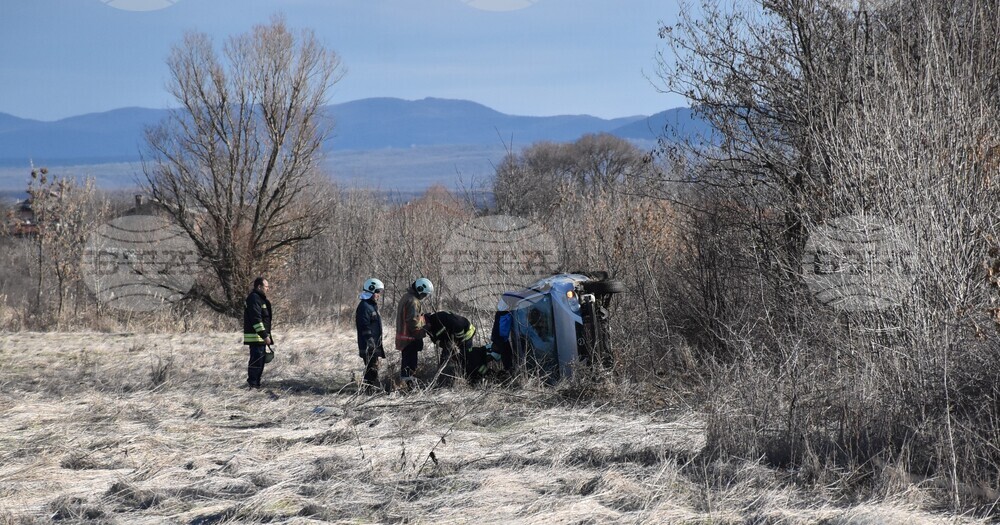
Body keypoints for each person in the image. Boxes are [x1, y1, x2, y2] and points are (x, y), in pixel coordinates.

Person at [424, 310, 500, 385]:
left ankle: (454, 381)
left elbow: (459, 324)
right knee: (446, 360)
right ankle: (443, 383)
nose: (490, 360)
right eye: (491, 358)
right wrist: (448, 346)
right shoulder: (429, 329)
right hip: (452, 341)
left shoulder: (440, 317)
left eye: (491, 359)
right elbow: (436, 340)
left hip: (466, 334)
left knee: (465, 359)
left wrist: (457, 342)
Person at [395, 277, 433, 385]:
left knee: (406, 363)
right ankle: (408, 387)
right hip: (410, 339)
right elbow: (412, 321)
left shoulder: (406, 297)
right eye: (424, 294)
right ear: (419, 289)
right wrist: (424, 329)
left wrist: (424, 318)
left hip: (404, 338)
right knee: (410, 366)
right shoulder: (413, 301)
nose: (425, 296)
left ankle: (405, 385)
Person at [243, 277, 273, 388]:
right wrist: (264, 335)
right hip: (256, 337)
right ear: (259, 287)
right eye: (266, 287)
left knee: (260, 362)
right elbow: (256, 319)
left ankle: (256, 384)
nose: (268, 289)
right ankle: (253, 385)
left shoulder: (260, 299)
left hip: (259, 338)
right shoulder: (254, 299)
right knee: (256, 362)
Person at [355, 278, 385, 390]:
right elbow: (364, 326)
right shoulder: (364, 307)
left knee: (373, 368)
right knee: (371, 369)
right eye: (377, 292)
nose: (379, 295)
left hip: (373, 344)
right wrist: (370, 343)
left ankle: (370, 390)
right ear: (371, 291)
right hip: (368, 345)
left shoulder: (371, 305)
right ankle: (367, 391)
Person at [490, 298, 515, 375]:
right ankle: (509, 373)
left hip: (501, 338)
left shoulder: (502, 313)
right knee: (507, 356)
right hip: (499, 338)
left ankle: (509, 371)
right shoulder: (505, 313)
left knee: (508, 355)